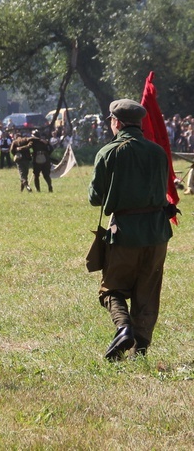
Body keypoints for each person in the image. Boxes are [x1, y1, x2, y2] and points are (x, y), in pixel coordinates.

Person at [89, 99, 174, 361]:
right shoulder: (158, 152)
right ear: (138, 123)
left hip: (125, 232)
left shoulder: (108, 152)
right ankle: (141, 350)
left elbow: (95, 198)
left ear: (116, 122)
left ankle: (123, 328)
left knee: (111, 288)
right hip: (158, 233)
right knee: (147, 291)